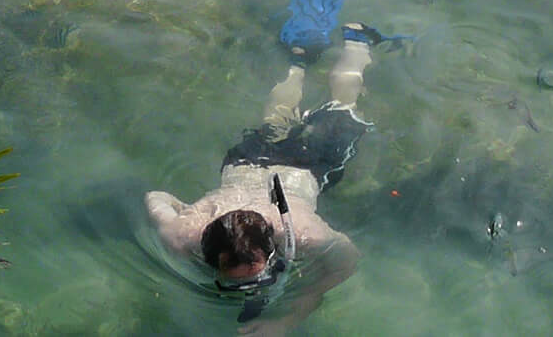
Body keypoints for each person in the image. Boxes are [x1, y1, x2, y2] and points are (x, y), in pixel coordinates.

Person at [146, 23, 382, 332]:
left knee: (342, 106)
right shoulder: (183, 233)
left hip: (304, 165)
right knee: (277, 117)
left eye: (252, 273)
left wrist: (287, 320)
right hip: (248, 161)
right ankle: (299, 61)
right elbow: (155, 197)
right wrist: (186, 210)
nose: (248, 283)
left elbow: (347, 260)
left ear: (272, 244)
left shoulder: (303, 232)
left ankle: (357, 44)